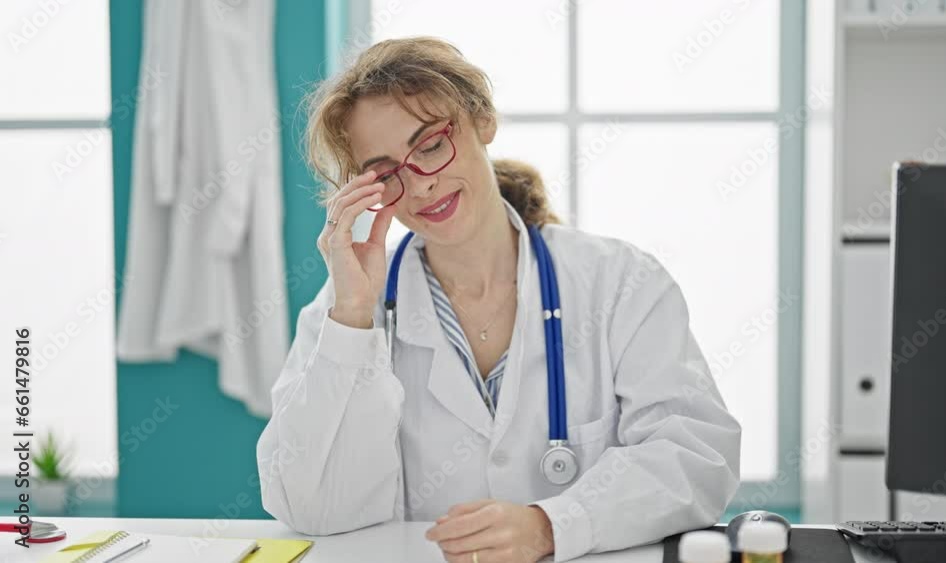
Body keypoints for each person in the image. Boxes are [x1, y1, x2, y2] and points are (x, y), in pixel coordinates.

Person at [256, 36, 741, 563]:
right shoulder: (350, 306)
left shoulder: (619, 282)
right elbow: (304, 507)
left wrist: (553, 526)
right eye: (388, 173)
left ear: (482, 120)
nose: (420, 187)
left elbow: (697, 459)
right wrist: (351, 321)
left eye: (431, 146)